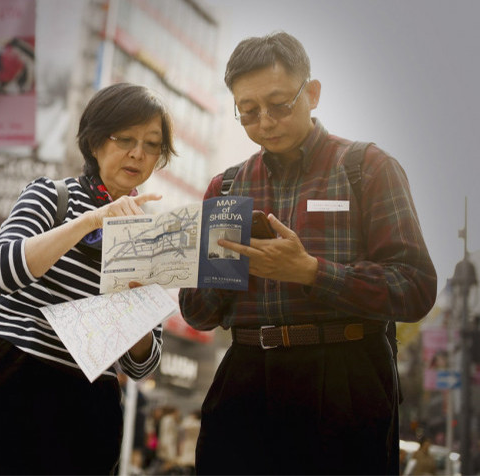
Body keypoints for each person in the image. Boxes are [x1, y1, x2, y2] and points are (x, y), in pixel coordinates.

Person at [178, 31, 437, 475]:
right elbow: (197, 313)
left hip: (346, 378)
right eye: (248, 111)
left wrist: (314, 272)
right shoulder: (226, 188)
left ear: (312, 93)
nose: (265, 122)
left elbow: (415, 287)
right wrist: (214, 267)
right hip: (245, 375)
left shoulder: (368, 168)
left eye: (279, 105)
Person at [0, 82, 175, 475]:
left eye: (152, 145)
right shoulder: (51, 195)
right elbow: (1, 271)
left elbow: (142, 365)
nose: (138, 153)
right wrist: (91, 221)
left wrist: (137, 312)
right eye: (126, 139)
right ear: (96, 142)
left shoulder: (150, 236)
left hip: (82, 403)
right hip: (3, 376)